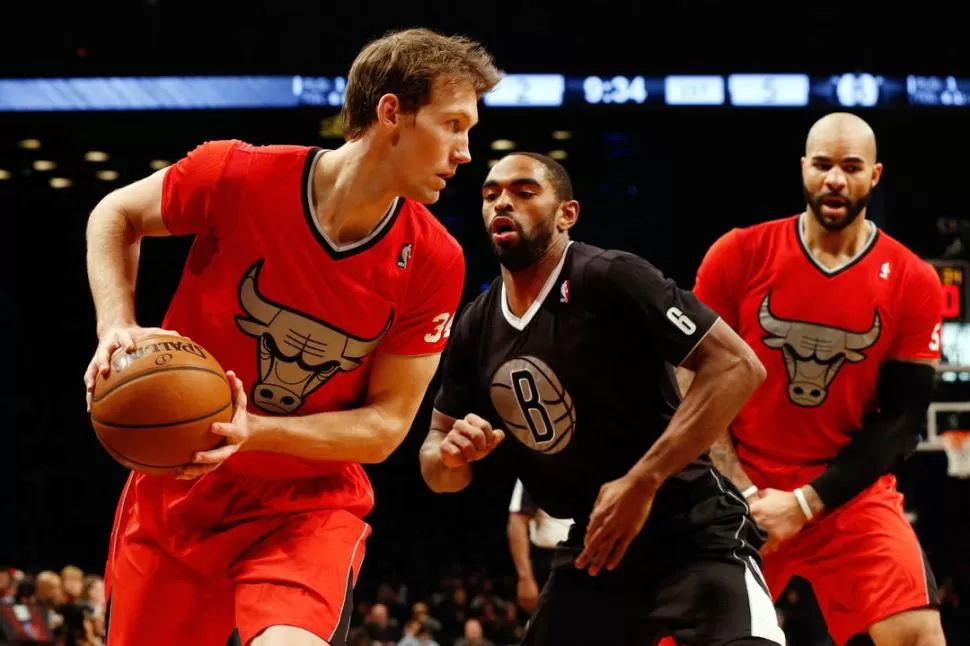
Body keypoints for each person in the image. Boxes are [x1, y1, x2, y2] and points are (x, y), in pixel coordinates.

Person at [82, 27, 501, 646]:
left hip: (308, 506)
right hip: (179, 488)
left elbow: (386, 427)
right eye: (453, 124)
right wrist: (116, 324)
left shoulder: (436, 259)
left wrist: (256, 431)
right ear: (391, 112)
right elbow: (113, 214)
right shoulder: (238, 174)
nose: (466, 151)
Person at [419, 152, 787, 645]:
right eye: (491, 194)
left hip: (693, 529)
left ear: (567, 214)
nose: (503, 201)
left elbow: (739, 366)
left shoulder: (611, 276)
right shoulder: (475, 325)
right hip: (596, 544)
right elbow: (438, 466)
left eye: (525, 192)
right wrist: (449, 455)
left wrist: (643, 479)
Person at [686, 112, 946, 646]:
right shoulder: (738, 253)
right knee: (676, 635)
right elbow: (693, 383)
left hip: (845, 491)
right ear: (804, 169)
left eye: (851, 167)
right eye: (823, 165)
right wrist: (741, 487)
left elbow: (900, 424)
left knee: (919, 635)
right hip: (740, 482)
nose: (835, 179)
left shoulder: (914, 279)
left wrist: (806, 503)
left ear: (874, 176)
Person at [507, 478, 572, 614]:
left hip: (594, 556)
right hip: (553, 562)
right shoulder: (536, 464)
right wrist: (525, 578)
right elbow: (517, 522)